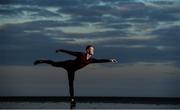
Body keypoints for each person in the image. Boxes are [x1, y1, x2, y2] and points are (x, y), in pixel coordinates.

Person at [34, 45, 117, 105]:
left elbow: (100, 60)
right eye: (92, 49)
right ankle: (42, 61)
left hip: (72, 70)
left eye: (93, 50)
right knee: (54, 64)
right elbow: (70, 52)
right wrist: (60, 50)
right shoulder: (81, 55)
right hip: (67, 64)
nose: (93, 51)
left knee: (71, 83)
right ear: (87, 50)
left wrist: (110, 60)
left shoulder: (91, 60)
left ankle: (72, 99)